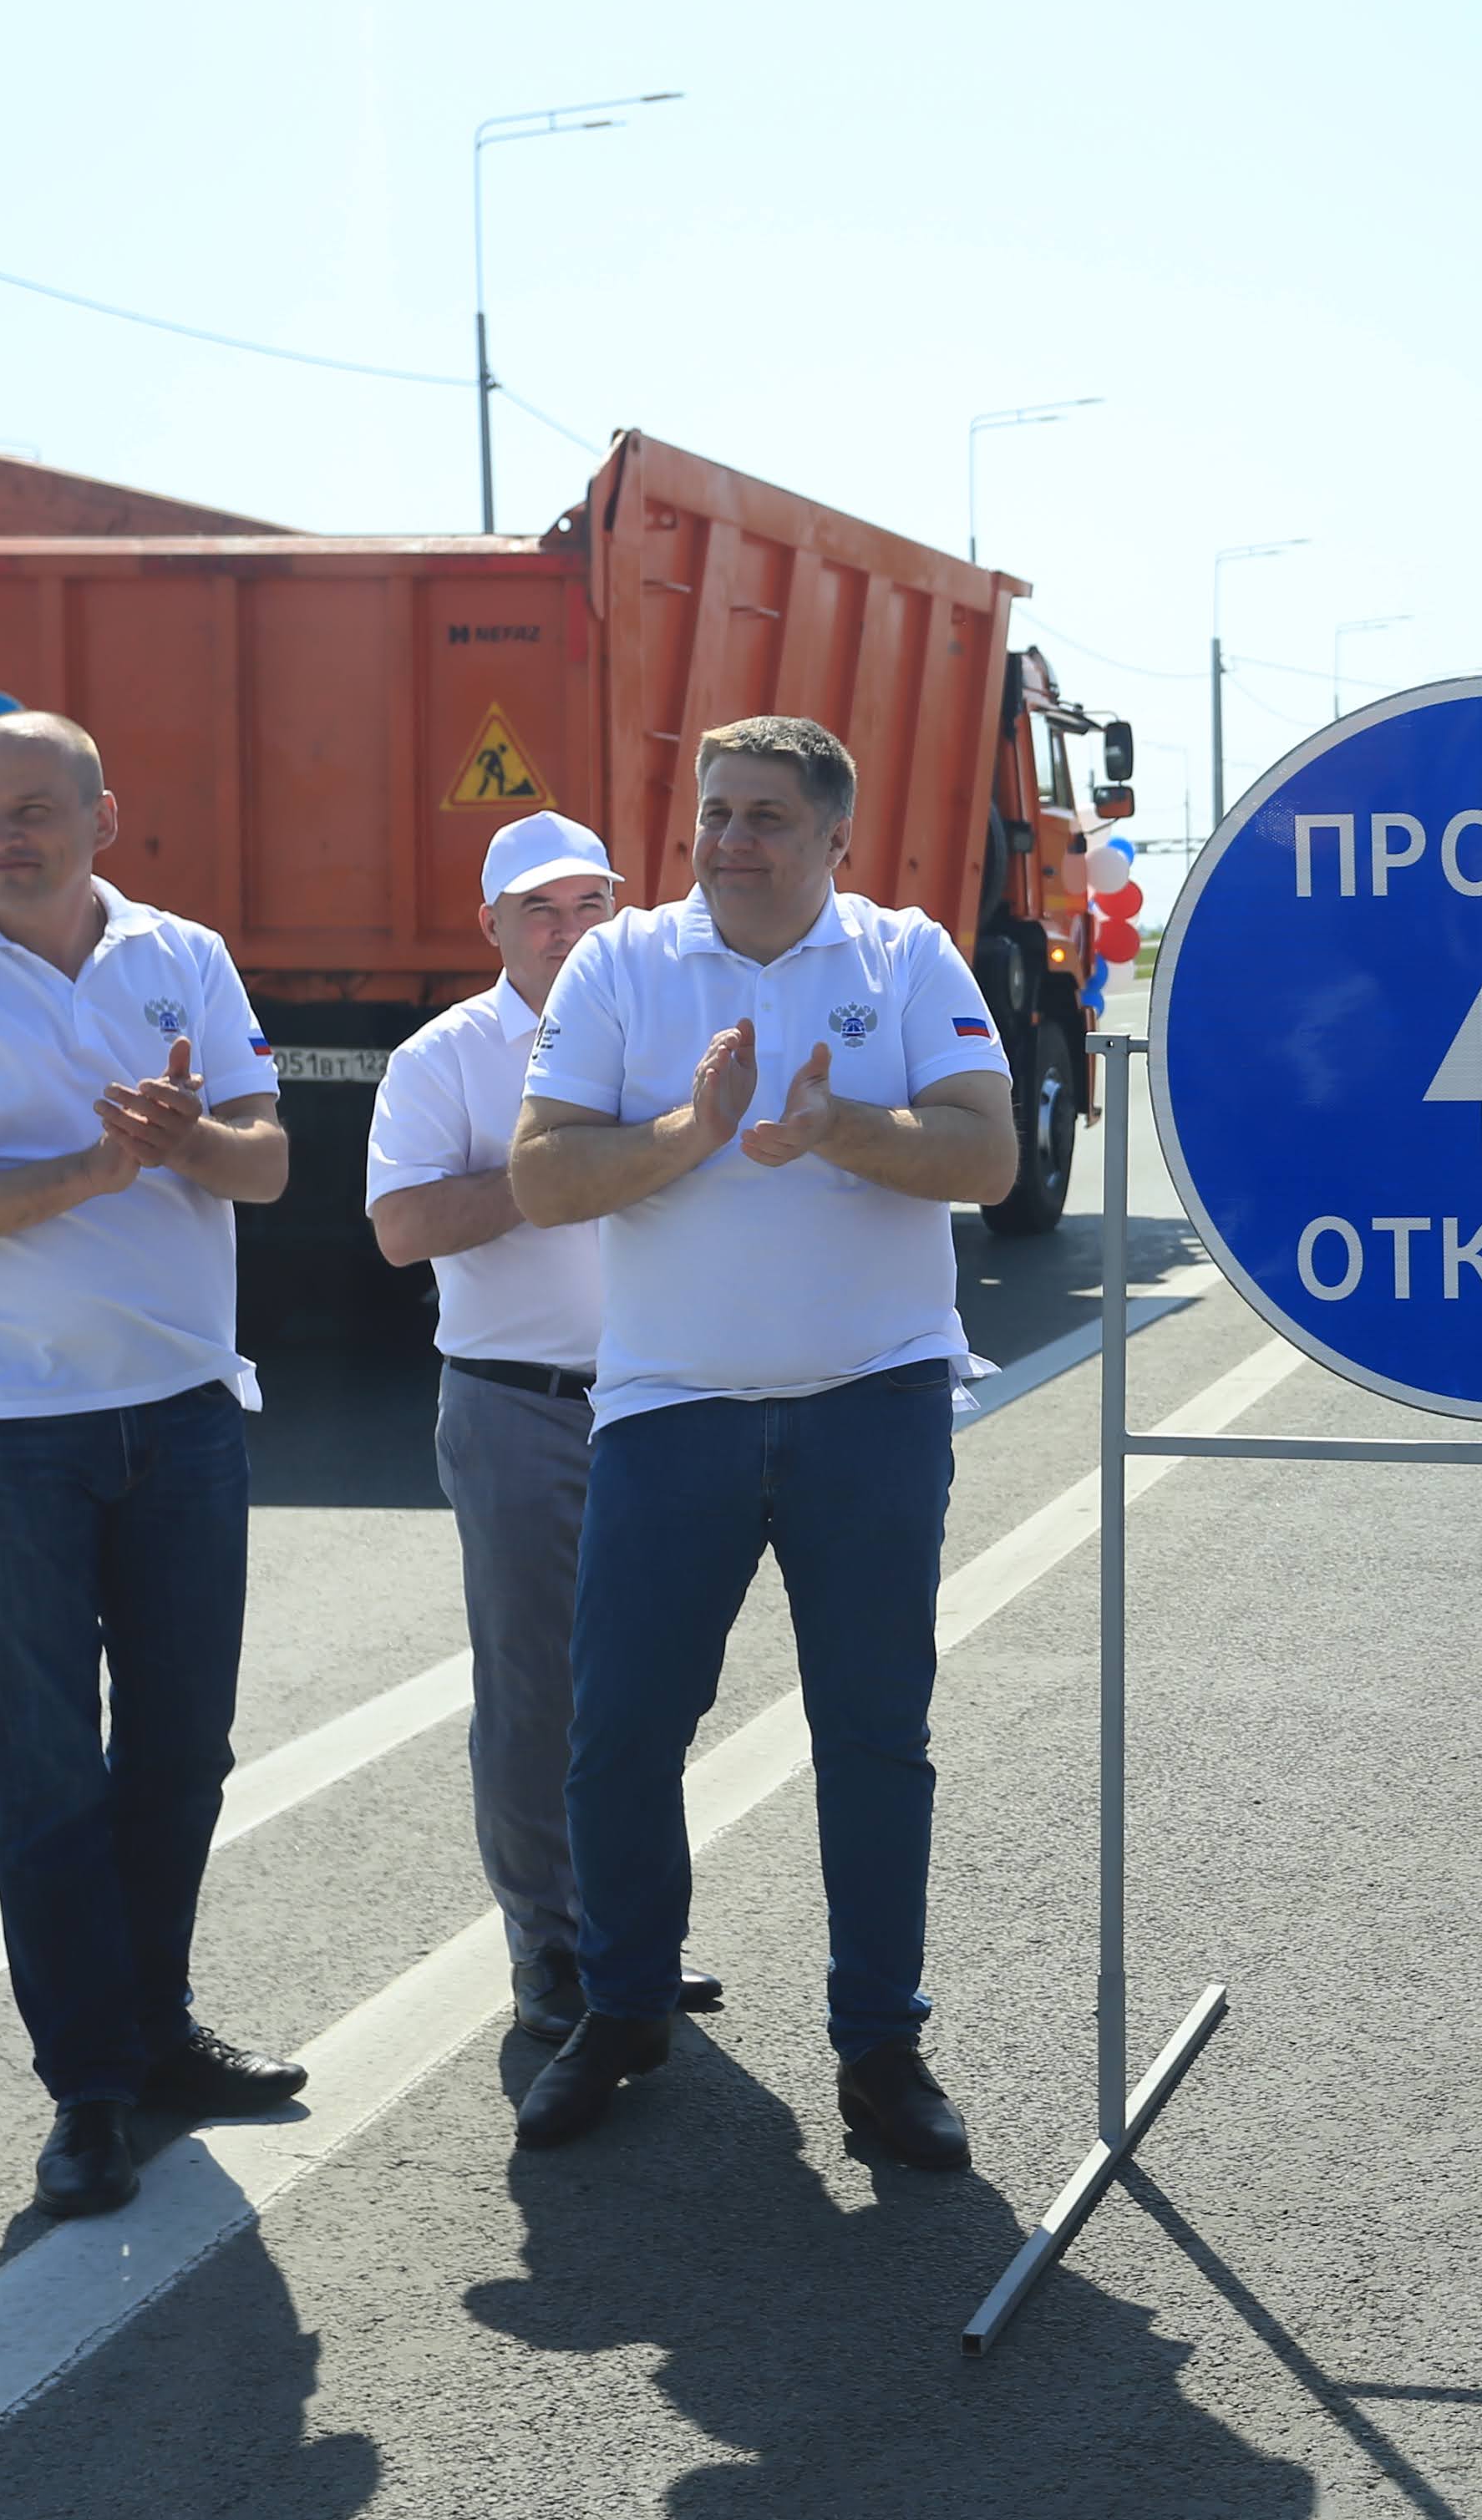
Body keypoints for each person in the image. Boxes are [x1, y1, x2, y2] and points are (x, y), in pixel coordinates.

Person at [505, 716, 1018, 2163]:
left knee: (873, 1735)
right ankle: (623, 2010)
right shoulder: (620, 963)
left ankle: (880, 2046)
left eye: (766, 817)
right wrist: (694, 1129)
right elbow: (541, 1178)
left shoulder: (905, 959)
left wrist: (839, 1130)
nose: (730, 841)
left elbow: (987, 1154)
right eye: (715, 813)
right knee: (621, 1733)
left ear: (834, 837)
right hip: (671, 1408)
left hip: (872, 1402)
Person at [0, 710, 304, 2223]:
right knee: (47, 1773)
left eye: (33, 807)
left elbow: (269, 1161)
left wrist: (189, 1144)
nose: (2, 836)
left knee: (180, 1754)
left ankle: (156, 2033)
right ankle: (88, 2089)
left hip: (181, 1414)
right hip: (2, 1434)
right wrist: (90, 1172)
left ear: (104, 814)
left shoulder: (184, 956)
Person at [368, 810, 723, 2046]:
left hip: (662, 1400)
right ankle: (550, 1948)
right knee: (534, 1697)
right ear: (492, 925)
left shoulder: (666, 1029)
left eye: (588, 906)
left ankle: (632, 1939)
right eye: (538, 910)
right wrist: (558, 1170)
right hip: (516, 1403)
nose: (567, 931)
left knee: (647, 1693)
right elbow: (402, 1228)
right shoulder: (444, 1056)